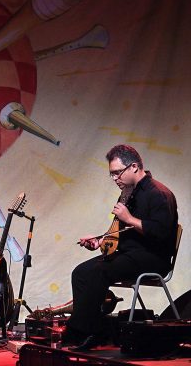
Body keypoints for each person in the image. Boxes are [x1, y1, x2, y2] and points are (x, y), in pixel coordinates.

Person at [65, 144, 178, 350]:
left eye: (118, 173)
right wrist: (100, 241)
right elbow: (119, 230)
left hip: (154, 257)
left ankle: (90, 332)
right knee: (81, 272)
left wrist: (130, 218)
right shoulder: (128, 193)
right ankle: (85, 328)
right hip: (129, 254)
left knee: (100, 271)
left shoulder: (159, 194)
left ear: (134, 167)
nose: (115, 179)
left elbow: (162, 233)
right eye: (112, 174)